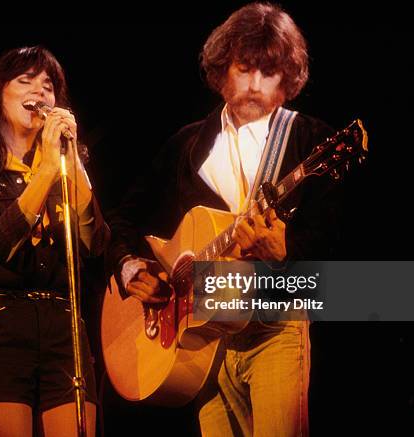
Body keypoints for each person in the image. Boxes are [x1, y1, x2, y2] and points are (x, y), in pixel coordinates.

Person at [107, 3, 340, 436]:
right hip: (202, 345)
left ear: (288, 81)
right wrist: (130, 267)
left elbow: (342, 249)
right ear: (220, 70)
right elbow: (122, 219)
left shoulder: (311, 141)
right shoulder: (187, 144)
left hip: (276, 325)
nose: (253, 85)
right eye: (243, 68)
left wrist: (288, 253)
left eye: (268, 73)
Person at [0, 45, 108, 437]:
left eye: (49, 86)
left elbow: (96, 245)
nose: (41, 92)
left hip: (64, 325)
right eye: (26, 81)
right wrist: (47, 170)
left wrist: (69, 162)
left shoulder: (64, 165)